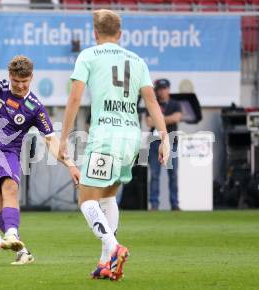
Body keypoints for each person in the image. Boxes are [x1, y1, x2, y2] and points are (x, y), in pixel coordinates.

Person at [59, 10, 169, 281]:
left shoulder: (88, 55)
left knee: (86, 200)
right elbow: (152, 101)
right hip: (132, 138)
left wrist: (63, 139)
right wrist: (164, 136)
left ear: (94, 33)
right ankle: (105, 263)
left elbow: (74, 100)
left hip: (105, 136)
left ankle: (113, 247)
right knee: (107, 196)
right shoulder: (137, 60)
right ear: (120, 34)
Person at [0, 41, 81, 265]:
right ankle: (21, 248)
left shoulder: (36, 108)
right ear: (9, 76)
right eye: (16, 81)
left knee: (9, 188)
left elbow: (51, 141)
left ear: (31, 78)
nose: (20, 86)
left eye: (24, 81)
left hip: (8, 154)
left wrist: (70, 164)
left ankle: (12, 235)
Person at [146, 79, 182, 211]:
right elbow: (149, 122)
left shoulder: (175, 104)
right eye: (159, 89)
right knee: (154, 175)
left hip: (171, 142)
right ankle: (154, 204)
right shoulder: (152, 103)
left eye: (164, 88)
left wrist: (158, 120)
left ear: (168, 89)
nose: (162, 91)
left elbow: (177, 117)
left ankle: (175, 204)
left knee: (173, 175)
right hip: (155, 142)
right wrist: (167, 119)